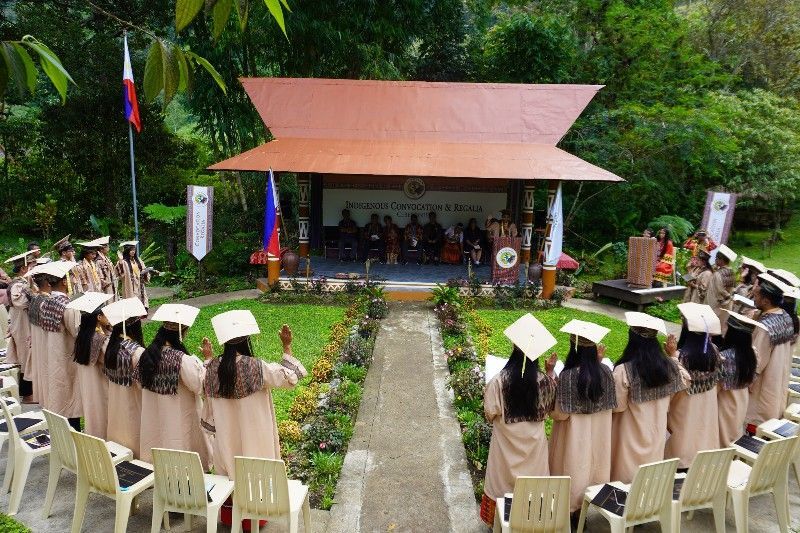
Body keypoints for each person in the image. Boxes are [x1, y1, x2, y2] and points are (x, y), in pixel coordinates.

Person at [201, 310, 307, 477]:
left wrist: (208, 359)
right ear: (246, 341)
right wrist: (286, 346)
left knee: (231, 478)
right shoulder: (256, 366)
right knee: (260, 478)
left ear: (225, 342)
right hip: (257, 444)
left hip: (226, 445)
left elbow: (207, 410)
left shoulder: (211, 369)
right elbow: (289, 378)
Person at [481, 314, 557, 525]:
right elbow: (553, 410)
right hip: (534, 451)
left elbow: (490, 413)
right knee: (533, 489)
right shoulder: (545, 382)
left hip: (505, 451)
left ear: (513, 346)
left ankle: (499, 524)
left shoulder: (498, 381)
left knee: (502, 488)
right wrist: (550, 372)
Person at [550, 320, 615, 520]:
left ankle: (570, 518)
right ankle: (583, 515)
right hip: (598, 441)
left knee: (573, 475)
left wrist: (551, 374)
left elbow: (559, 414)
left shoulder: (568, 376)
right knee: (592, 474)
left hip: (573, 443)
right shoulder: (606, 372)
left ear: (574, 348)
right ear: (595, 348)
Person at [611, 312, 686, 483]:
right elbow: (684, 381)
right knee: (649, 479)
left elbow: (618, 406)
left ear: (632, 340)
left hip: (629, 436)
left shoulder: (624, 370)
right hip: (656, 434)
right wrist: (673, 355)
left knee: (627, 482)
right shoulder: (669, 367)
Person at [139, 303, 211, 467]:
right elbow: (201, 384)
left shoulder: (147, 355)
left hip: (154, 415)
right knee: (179, 449)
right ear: (181, 333)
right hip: (179, 417)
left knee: (157, 442)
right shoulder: (182, 360)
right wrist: (207, 361)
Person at [665, 303, 722, 469]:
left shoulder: (680, 357)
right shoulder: (715, 353)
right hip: (705, 414)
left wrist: (670, 356)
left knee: (681, 447)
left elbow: (671, 390)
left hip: (682, 412)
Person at [30, 261, 84, 431]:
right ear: (63, 281)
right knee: (69, 397)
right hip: (66, 357)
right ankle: (73, 438)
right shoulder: (68, 307)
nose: (74, 281)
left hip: (51, 356)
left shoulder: (45, 303)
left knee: (59, 395)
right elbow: (78, 332)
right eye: (72, 278)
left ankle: (62, 434)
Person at [745, 274, 796, 428]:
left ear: (766, 301)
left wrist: (745, 383)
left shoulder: (765, 327)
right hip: (779, 381)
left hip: (764, 386)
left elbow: (756, 362)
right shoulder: (785, 316)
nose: (754, 298)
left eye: (757, 296)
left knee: (757, 426)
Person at [101, 297, 147, 457]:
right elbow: (145, 384)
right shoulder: (137, 352)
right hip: (134, 404)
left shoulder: (111, 347)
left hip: (115, 405)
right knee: (134, 437)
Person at [69, 292, 114, 438]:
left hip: (87, 385)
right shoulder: (100, 339)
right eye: (106, 313)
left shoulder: (83, 335)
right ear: (99, 317)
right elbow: (112, 357)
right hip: (100, 384)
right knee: (103, 415)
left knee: (92, 414)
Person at [717, 310, 762, 447]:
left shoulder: (724, 357)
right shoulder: (752, 354)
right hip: (742, 402)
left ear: (732, 334)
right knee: (735, 434)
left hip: (725, 403)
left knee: (722, 438)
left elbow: (716, 386)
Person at [4, 251, 36, 402]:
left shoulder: (25, 282)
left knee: (31, 355)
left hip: (27, 324)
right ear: (24, 268)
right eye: (32, 265)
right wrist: (33, 293)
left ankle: (32, 391)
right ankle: (27, 395)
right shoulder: (18, 284)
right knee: (25, 357)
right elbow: (21, 302)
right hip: (22, 326)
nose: (34, 267)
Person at [705, 244, 737, 320]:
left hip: (715, 306)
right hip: (727, 306)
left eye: (716, 258)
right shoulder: (732, 272)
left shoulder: (717, 274)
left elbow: (719, 290)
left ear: (721, 260)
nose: (715, 260)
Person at [116, 241, 151, 308]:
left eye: (134, 250)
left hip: (139, 284)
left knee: (141, 300)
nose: (133, 251)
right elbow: (120, 274)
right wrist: (120, 262)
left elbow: (143, 268)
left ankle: (140, 316)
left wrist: (146, 271)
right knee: (131, 302)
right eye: (131, 250)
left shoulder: (138, 260)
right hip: (130, 285)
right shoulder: (123, 261)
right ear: (127, 251)